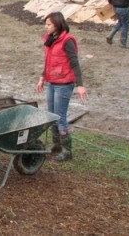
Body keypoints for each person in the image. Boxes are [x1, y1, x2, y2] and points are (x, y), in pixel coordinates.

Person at [36, 12, 87, 161]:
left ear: (57, 24)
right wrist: (42, 78)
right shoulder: (49, 39)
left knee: (60, 117)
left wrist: (80, 85)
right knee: (51, 115)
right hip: (52, 82)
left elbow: (74, 62)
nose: (46, 27)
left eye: (49, 24)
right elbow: (48, 61)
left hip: (64, 84)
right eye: (46, 24)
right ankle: (56, 145)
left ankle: (67, 151)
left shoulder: (67, 40)